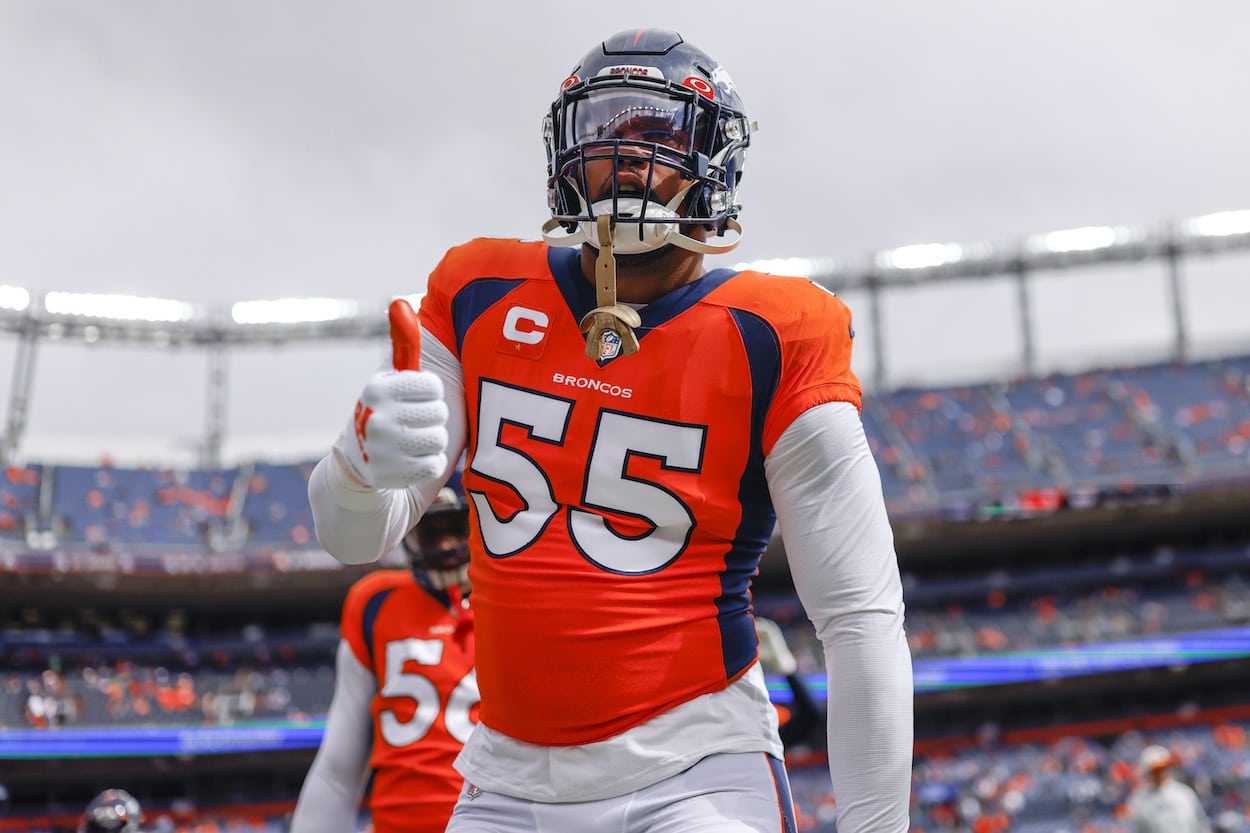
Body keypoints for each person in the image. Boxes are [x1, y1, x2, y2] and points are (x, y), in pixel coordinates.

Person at [309, 27, 912, 833]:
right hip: (504, 781)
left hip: (694, 772)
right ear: (565, 151)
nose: (627, 157)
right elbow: (354, 537)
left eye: (656, 133)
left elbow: (858, 615)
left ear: (715, 162)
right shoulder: (479, 291)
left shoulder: (777, 333)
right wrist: (356, 462)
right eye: (605, 132)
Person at [290, 472, 476, 833]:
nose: (445, 545)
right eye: (432, 531)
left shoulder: (515, 601)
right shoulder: (375, 603)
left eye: (457, 526)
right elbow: (338, 770)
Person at [1127, 745, 1211, 833]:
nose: (1160, 773)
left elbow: (1202, 825)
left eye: (1162, 769)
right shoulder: (1139, 801)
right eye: (1155, 771)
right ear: (1147, 772)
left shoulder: (1184, 793)